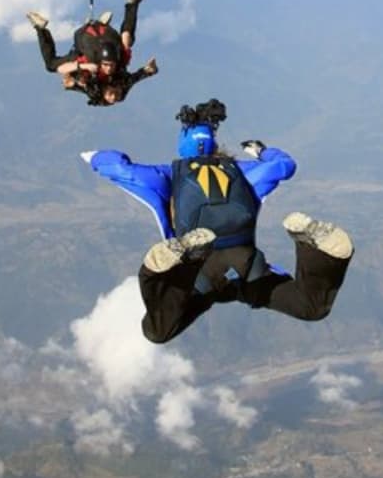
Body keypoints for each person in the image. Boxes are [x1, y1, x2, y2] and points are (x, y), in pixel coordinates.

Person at [82, 99, 354, 343]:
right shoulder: (240, 172)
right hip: (247, 265)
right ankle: (317, 250)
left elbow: (121, 170)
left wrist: (95, 157)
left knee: (158, 330)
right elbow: (285, 165)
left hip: (201, 270)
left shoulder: (169, 175)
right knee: (311, 306)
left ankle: (155, 271)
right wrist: (262, 151)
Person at [27, 0, 158, 106]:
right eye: (116, 94)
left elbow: (62, 70)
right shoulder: (122, 84)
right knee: (127, 43)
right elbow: (137, 77)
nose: (114, 94)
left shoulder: (92, 87)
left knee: (51, 65)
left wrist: (81, 69)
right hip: (109, 42)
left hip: (85, 44)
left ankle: (40, 28)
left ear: (103, 94)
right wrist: (150, 70)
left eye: (110, 95)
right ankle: (132, 3)